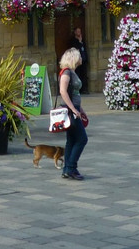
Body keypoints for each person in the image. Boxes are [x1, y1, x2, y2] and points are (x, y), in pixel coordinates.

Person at [57, 47, 88, 180]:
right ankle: (71, 168)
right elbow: (63, 91)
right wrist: (74, 109)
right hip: (71, 111)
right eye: (79, 56)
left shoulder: (73, 72)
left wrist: (81, 109)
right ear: (73, 58)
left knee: (71, 140)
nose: (81, 58)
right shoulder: (67, 72)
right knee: (82, 139)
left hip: (75, 109)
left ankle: (66, 169)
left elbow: (74, 93)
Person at [68, 27, 90, 93]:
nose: (79, 33)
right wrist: (80, 42)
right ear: (75, 32)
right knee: (78, 74)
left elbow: (84, 49)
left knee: (84, 74)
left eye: (80, 31)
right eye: (77, 31)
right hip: (76, 60)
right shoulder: (73, 41)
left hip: (83, 59)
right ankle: (78, 89)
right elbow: (76, 49)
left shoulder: (82, 40)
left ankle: (84, 89)